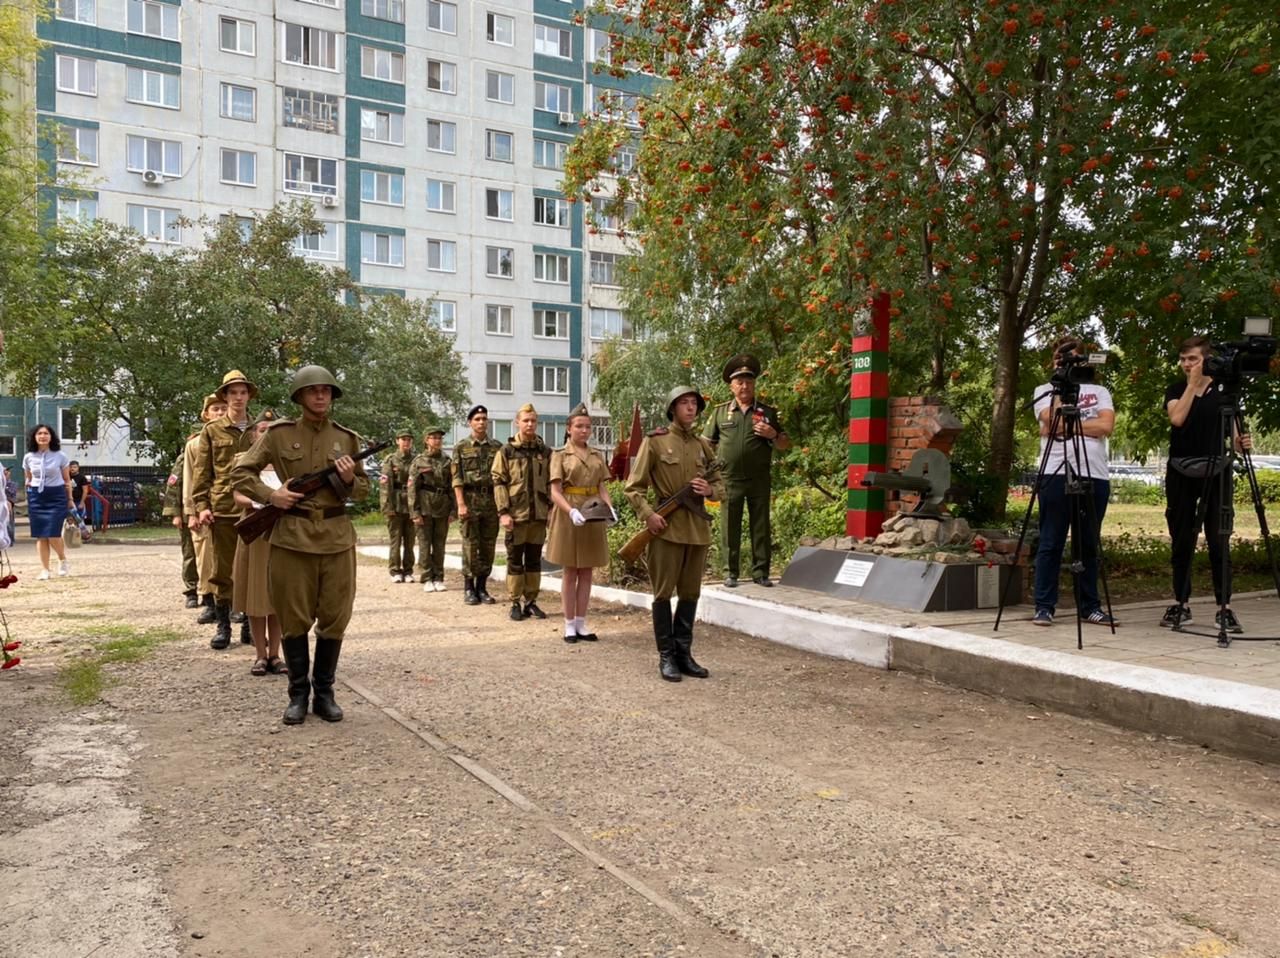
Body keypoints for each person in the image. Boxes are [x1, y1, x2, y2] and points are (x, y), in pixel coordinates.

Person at [232, 365, 368, 725]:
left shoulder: (347, 438)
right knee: (293, 617)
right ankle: (297, 694)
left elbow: (367, 490)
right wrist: (270, 495)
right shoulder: (278, 435)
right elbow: (241, 472)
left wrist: (350, 479)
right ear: (300, 396)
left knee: (335, 617)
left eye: (326, 390)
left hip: (336, 538)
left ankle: (324, 693)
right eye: (313, 391)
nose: (321, 396)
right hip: (292, 538)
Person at [625, 387, 726, 681]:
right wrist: (649, 515)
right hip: (666, 528)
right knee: (663, 594)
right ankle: (666, 656)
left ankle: (684, 654)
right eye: (684, 403)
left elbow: (721, 486)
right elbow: (633, 487)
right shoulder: (655, 443)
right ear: (672, 408)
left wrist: (710, 491)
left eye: (694, 403)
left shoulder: (703, 445)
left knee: (691, 594)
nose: (691, 408)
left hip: (697, 531)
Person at [1162, 335, 1253, 632]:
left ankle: (1223, 607)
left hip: (1217, 470)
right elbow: (1177, 418)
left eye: (1194, 359)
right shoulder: (1176, 389)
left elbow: (1237, 439)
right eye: (1184, 359)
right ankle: (1181, 603)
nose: (1188, 364)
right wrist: (1192, 385)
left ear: (1206, 360)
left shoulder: (1224, 392)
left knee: (1218, 538)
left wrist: (1242, 442)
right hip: (1181, 469)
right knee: (1182, 538)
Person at [1030, 337, 1116, 627]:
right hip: (1054, 472)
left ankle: (1089, 605)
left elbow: (1106, 426)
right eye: (1058, 358)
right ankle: (1044, 606)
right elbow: (1049, 423)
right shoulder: (1043, 390)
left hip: (1093, 472)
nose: (1063, 363)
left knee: (1088, 543)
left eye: (1071, 358)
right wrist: (1059, 387)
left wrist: (1069, 426)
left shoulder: (1099, 390)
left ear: (1082, 360)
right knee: (1051, 541)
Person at [703, 354, 790, 588]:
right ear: (731, 386)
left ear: (754, 385)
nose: (745, 386)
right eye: (740, 382)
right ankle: (730, 572)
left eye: (749, 382)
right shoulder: (720, 413)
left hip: (758, 479)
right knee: (729, 527)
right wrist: (708, 475)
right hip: (728, 479)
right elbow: (705, 445)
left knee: (760, 526)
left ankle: (761, 572)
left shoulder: (767, 412)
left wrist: (773, 434)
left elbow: (784, 443)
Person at [190, 370, 258, 649]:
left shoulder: (259, 430)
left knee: (253, 570)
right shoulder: (212, 431)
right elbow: (201, 472)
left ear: (248, 396)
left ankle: (249, 627)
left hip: (255, 509)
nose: (238, 397)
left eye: (243, 392)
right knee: (222, 569)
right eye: (233, 393)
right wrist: (201, 506)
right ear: (225, 397)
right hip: (223, 508)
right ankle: (223, 626)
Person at [547, 402, 615, 642]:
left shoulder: (597, 455)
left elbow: (601, 486)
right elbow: (555, 491)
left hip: (593, 512)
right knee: (570, 570)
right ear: (569, 428)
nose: (584, 430)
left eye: (587, 426)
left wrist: (609, 509)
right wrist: (570, 512)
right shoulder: (559, 455)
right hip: (570, 514)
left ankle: (581, 622)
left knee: (587, 570)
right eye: (579, 426)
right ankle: (568, 623)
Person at [231, 409, 286, 675]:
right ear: (253, 436)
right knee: (255, 594)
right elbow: (238, 495)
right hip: (254, 530)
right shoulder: (243, 460)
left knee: (277, 596)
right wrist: (262, 501)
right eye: (262, 430)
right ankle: (260, 655)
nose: (266, 434)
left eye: (270, 430)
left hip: (281, 532)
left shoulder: (285, 461)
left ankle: (276, 654)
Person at [491, 404, 553, 621]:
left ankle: (531, 601)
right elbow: (499, 482)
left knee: (535, 560)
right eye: (526, 420)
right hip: (516, 516)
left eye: (533, 421)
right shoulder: (506, 451)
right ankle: (515, 601)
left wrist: (551, 510)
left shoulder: (545, 452)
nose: (530, 424)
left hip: (538, 516)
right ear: (517, 422)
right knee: (515, 560)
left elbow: (551, 484)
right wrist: (503, 512)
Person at [183, 395, 228, 624]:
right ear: (206, 414)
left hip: (227, 507)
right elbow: (189, 479)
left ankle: (233, 605)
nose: (220, 413)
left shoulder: (236, 438)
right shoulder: (195, 444)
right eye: (215, 409)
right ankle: (210, 602)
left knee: (231, 560)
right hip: (203, 509)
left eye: (223, 408)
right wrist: (190, 511)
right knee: (205, 558)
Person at [451, 405, 502, 606]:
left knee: (488, 545)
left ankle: (482, 587)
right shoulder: (461, 447)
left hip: (491, 500)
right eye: (477, 419)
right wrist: (461, 504)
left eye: (484, 419)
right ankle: (469, 587)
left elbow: (501, 478)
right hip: (470, 500)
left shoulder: (497, 447)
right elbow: (456, 478)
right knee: (470, 545)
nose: (481, 422)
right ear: (470, 423)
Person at [22, 424, 74, 580]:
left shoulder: (60, 456)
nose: (42, 436)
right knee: (40, 535)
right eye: (39, 433)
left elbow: (67, 480)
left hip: (56, 495)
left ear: (51, 437)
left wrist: (70, 499)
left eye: (46, 433)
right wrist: (28, 485)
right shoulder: (28, 456)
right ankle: (45, 569)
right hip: (37, 497)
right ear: (34, 437)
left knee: (52, 533)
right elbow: (28, 477)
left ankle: (62, 559)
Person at [408, 424, 453, 592]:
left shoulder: (447, 461)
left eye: (440, 438)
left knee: (440, 544)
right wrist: (415, 512)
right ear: (426, 440)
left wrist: (453, 510)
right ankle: (427, 577)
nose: (437, 440)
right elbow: (412, 488)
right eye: (434, 437)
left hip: (442, 506)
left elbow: (452, 487)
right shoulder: (419, 461)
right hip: (425, 507)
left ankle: (439, 577)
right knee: (425, 544)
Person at [161, 438, 199, 609]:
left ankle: (210, 592)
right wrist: (175, 513)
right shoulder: (183, 459)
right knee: (190, 553)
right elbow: (173, 487)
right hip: (186, 513)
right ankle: (191, 590)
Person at [380, 427, 416, 583]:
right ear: (397, 441)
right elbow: (385, 485)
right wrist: (387, 507)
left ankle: (408, 571)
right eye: (403, 439)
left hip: (411, 504)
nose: (406, 442)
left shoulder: (416, 460)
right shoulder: (390, 460)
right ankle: (395, 570)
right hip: (395, 502)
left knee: (410, 540)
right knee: (395, 539)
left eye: (408, 439)